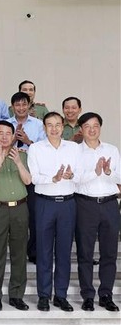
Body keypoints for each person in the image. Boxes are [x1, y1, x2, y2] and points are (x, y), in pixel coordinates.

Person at [27, 111, 82, 312]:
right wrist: (54, 178)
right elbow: (34, 177)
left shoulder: (74, 148)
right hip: (44, 203)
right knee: (43, 251)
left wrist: (72, 175)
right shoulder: (36, 148)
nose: (54, 128)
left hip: (67, 204)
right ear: (44, 128)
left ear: (63, 126)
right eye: (49, 125)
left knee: (64, 252)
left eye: (58, 124)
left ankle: (60, 295)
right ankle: (43, 295)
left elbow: (81, 175)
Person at [75, 112, 120, 312]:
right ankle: (87, 295)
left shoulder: (112, 149)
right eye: (87, 126)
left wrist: (108, 172)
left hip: (110, 204)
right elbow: (75, 180)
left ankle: (106, 294)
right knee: (85, 253)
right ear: (81, 130)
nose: (92, 129)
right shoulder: (75, 152)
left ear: (100, 127)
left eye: (95, 126)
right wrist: (95, 171)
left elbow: (119, 176)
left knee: (109, 253)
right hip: (85, 205)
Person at [0, 121, 32, 311]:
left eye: (8, 133)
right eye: (0, 133)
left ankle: (16, 295)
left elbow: (28, 180)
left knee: (19, 253)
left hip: (20, 208)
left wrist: (18, 163)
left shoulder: (22, 155)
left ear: (13, 136)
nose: (4, 137)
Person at [7, 92, 46, 265]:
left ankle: (34, 251)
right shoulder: (6, 124)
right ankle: (16, 251)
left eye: (24, 104)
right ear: (12, 107)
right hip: (10, 175)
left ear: (29, 106)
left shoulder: (38, 125)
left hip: (31, 174)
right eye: (17, 105)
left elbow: (46, 148)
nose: (21, 108)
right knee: (15, 217)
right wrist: (12, 139)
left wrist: (29, 141)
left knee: (34, 215)